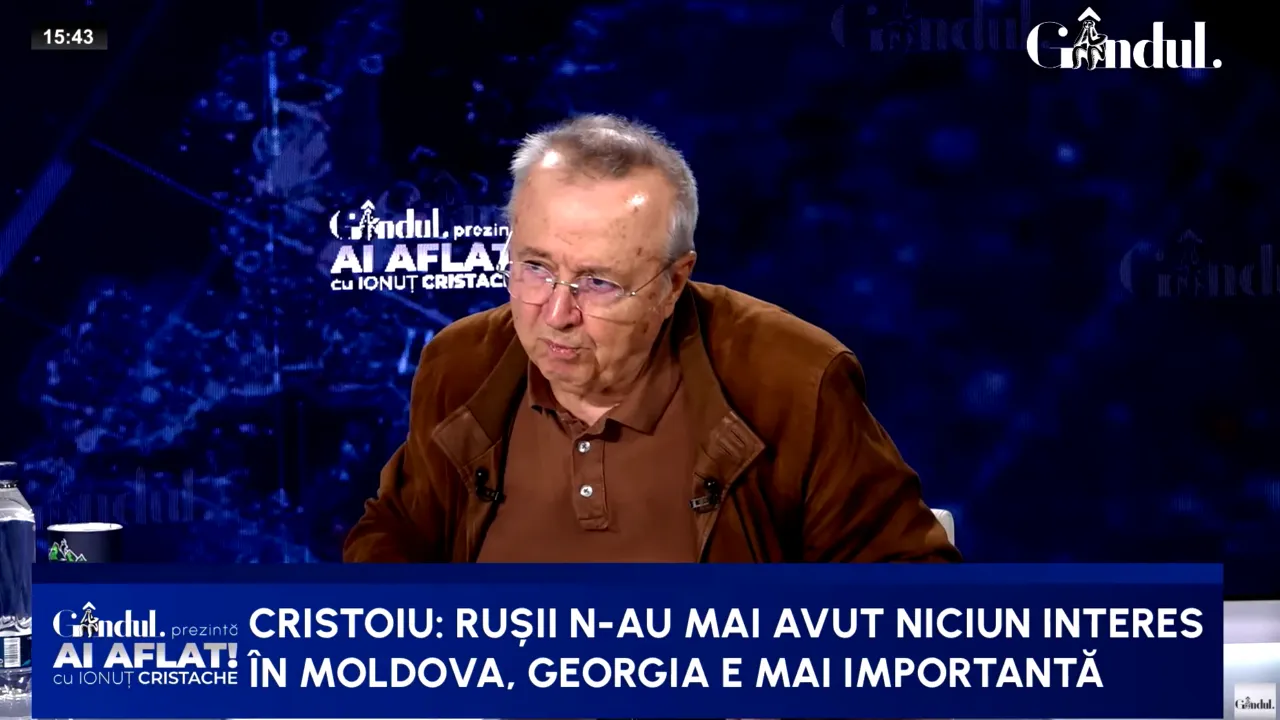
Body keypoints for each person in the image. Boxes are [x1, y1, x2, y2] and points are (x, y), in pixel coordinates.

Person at [344, 114, 959, 564]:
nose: (555, 313)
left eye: (598, 283)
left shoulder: (793, 381)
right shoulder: (461, 363)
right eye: (535, 268)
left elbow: (909, 597)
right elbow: (394, 535)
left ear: (673, 282)